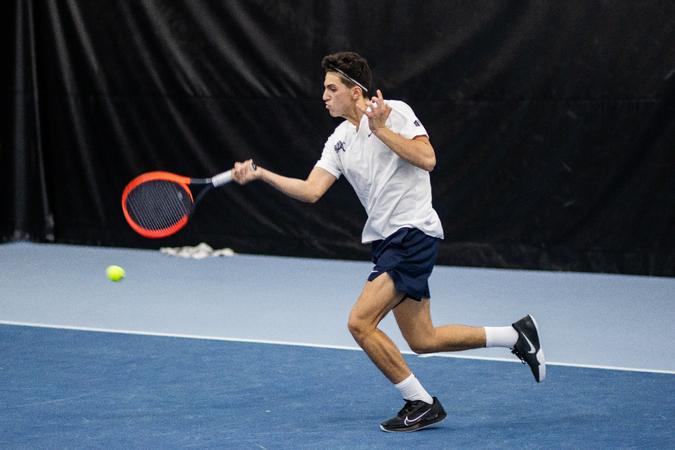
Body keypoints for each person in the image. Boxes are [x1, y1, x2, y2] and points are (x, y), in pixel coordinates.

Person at [231, 51, 545, 432]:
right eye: (324, 89)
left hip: (412, 234)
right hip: (386, 241)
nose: (324, 96)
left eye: (332, 88)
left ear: (355, 90)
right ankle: (515, 335)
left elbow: (427, 158)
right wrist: (262, 175)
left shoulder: (393, 111)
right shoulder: (340, 139)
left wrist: (380, 129)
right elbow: (312, 190)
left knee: (360, 322)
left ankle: (421, 401)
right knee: (422, 338)